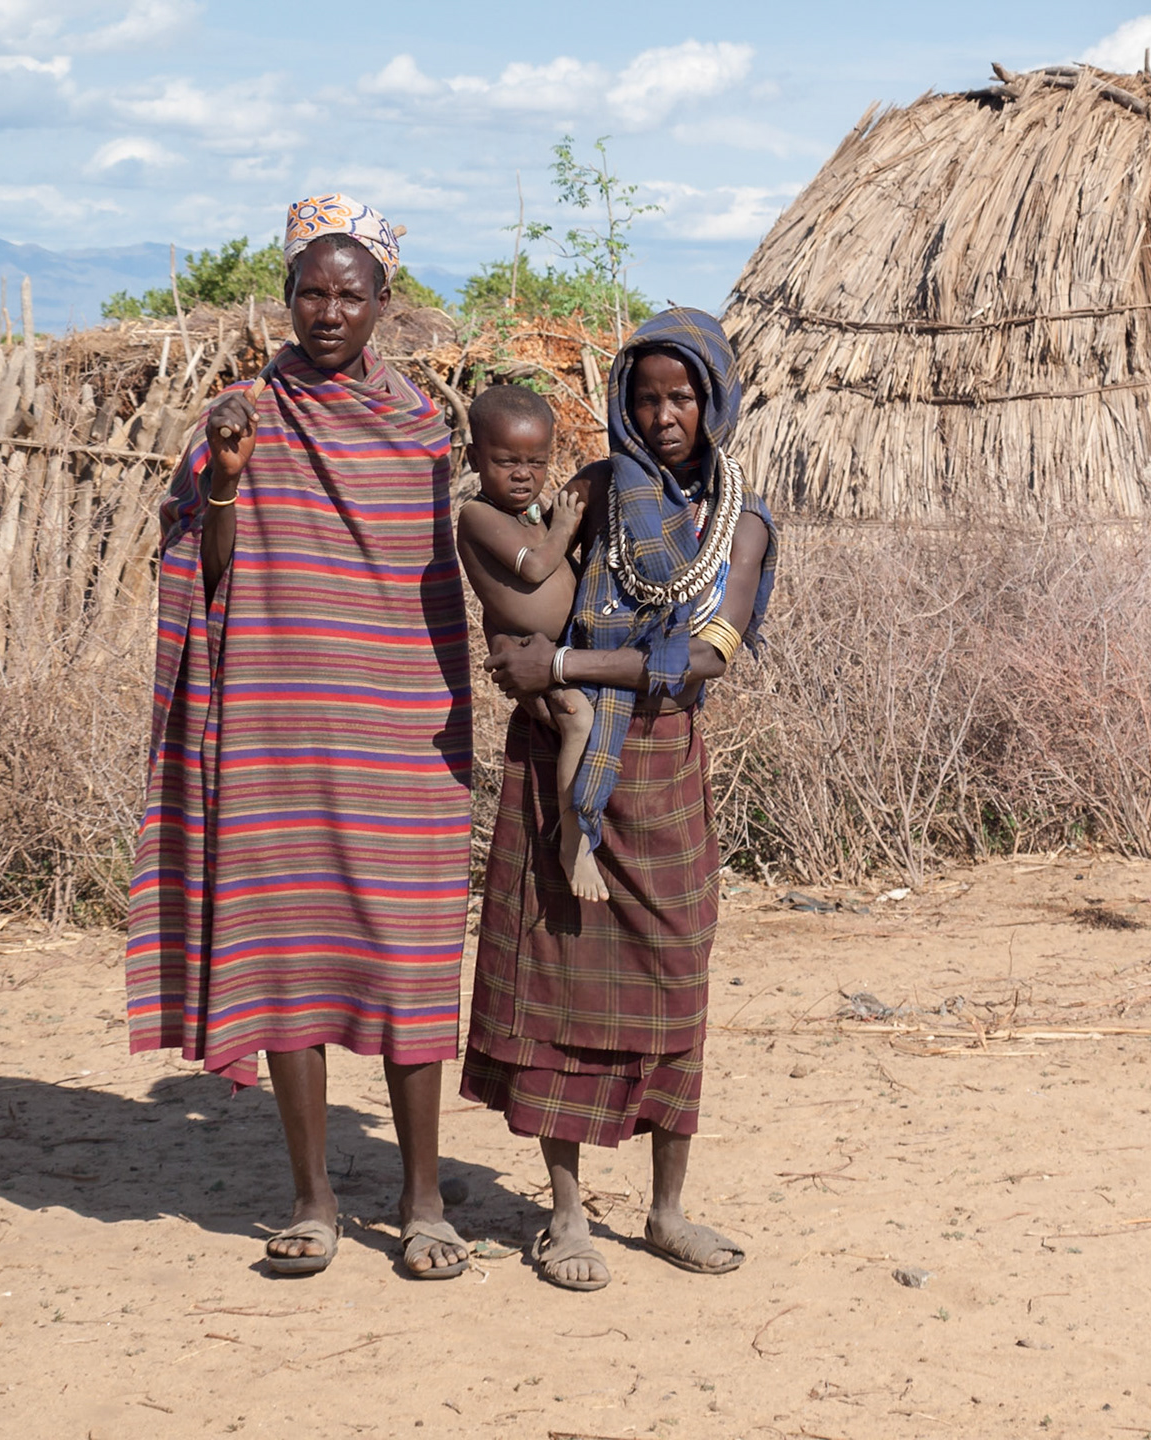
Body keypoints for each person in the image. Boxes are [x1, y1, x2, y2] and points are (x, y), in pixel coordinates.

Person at [126, 193, 474, 1280]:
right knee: (290, 958)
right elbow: (205, 578)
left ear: (385, 302)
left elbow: (444, 581)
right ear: (285, 298)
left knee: (410, 961)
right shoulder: (239, 418)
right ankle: (315, 1198)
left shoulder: (420, 424)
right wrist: (226, 487)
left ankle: (423, 1202)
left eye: (350, 293)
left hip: (404, 730)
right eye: (311, 292)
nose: (329, 311)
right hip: (278, 730)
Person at [466, 308, 776, 1292]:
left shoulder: (746, 524)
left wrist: (559, 660)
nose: (663, 412)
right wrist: (533, 659)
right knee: (558, 986)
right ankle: (563, 1219)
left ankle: (667, 1210)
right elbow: (517, 586)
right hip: (561, 766)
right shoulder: (592, 493)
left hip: (662, 772)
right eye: (645, 396)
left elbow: (696, 665)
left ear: (714, 398)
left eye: (681, 394)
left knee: (676, 989)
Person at [454, 385, 603, 900]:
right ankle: (572, 836)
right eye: (506, 461)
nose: (523, 474)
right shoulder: (478, 516)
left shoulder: (531, 510)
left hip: (563, 645)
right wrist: (563, 525)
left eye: (536, 462)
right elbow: (538, 566)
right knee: (577, 719)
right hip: (526, 653)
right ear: (474, 458)